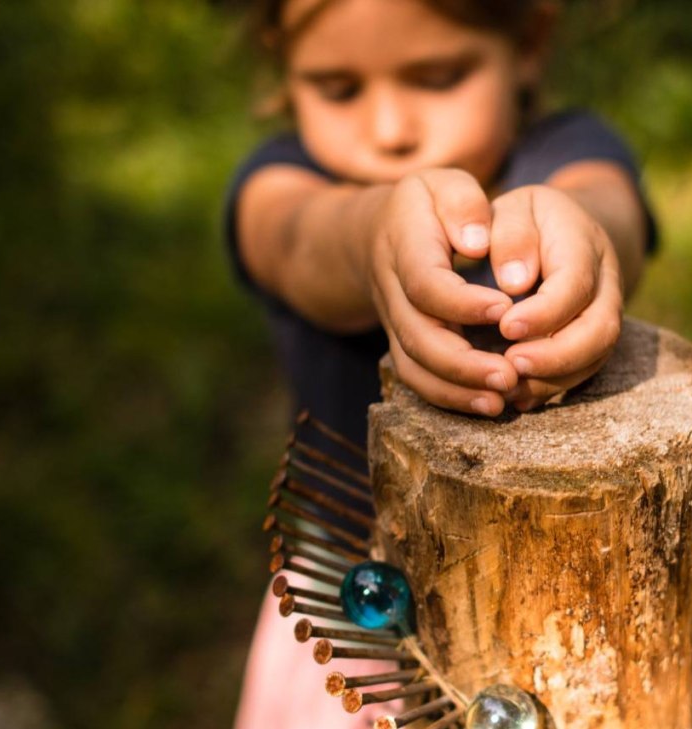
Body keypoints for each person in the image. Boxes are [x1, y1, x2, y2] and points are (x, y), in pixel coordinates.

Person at [221, 0, 654, 725]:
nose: (391, 131)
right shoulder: (281, 178)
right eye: (337, 89)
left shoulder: (565, 150)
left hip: (563, 623)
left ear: (528, 41)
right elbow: (298, 240)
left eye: (438, 77)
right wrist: (372, 239)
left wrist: (583, 233)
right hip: (351, 626)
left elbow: (610, 207)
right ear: (279, 60)